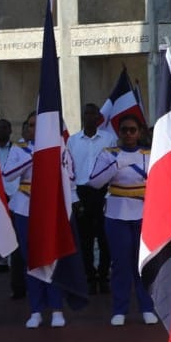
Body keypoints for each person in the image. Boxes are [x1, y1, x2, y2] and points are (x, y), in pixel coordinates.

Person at [87, 115, 157, 325]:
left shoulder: (149, 154)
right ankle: (120, 309)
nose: (128, 134)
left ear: (140, 132)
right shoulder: (109, 154)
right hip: (117, 213)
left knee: (144, 263)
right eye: (125, 130)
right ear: (119, 133)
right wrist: (117, 164)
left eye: (133, 130)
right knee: (120, 263)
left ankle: (147, 307)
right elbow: (95, 182)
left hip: (144, 213)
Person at [4, 113, 65, 329]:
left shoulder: (59, 146)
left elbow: (70, 175)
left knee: (52, 257)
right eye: (30, 125)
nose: (34, 129)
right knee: (30, 260)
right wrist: (35, 156)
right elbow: (8, 174)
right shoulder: (18, 149)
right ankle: (36, 310)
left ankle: (57, 308)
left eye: (38, 126)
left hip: (49, 206)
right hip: (24, 206)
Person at [68, 102, 117, 292]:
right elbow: (68, 170)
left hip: (103, 193)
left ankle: (104, 276)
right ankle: (89, 276)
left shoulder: (109, 139)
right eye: (86, 113)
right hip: (81, 193)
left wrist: (109, 194)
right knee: (84, 239)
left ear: (99, 117)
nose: (90, 116)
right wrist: (74, 198)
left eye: (93, 113)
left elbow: (114, 167)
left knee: (105, 238)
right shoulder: (72, 141)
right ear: (83, 116)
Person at [0, 117, 26, 291]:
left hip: (13, 193)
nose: (1, 131)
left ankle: (15, 262)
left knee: (14, 229)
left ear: (9, 131)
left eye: (4, 128)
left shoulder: (16, 149)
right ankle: (0, 260)